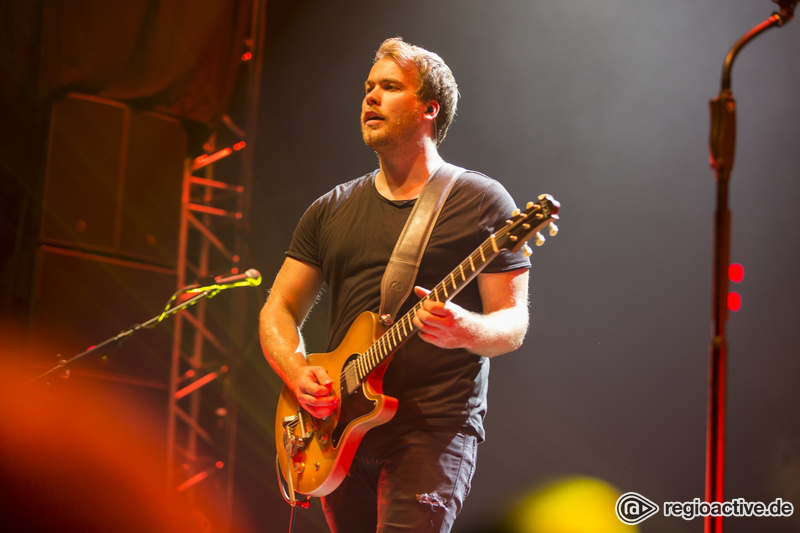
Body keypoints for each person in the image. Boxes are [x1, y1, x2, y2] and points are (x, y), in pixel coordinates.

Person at [259, 37, 531, 532]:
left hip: (432, 428)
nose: (370, 96)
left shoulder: (481, 201)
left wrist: (464, 328)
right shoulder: (331, 208)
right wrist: (297, 372)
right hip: (340, 430)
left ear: (430, 108)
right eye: (368, 87)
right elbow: (278, 308)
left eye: (389, 86)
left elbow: (512, 325)